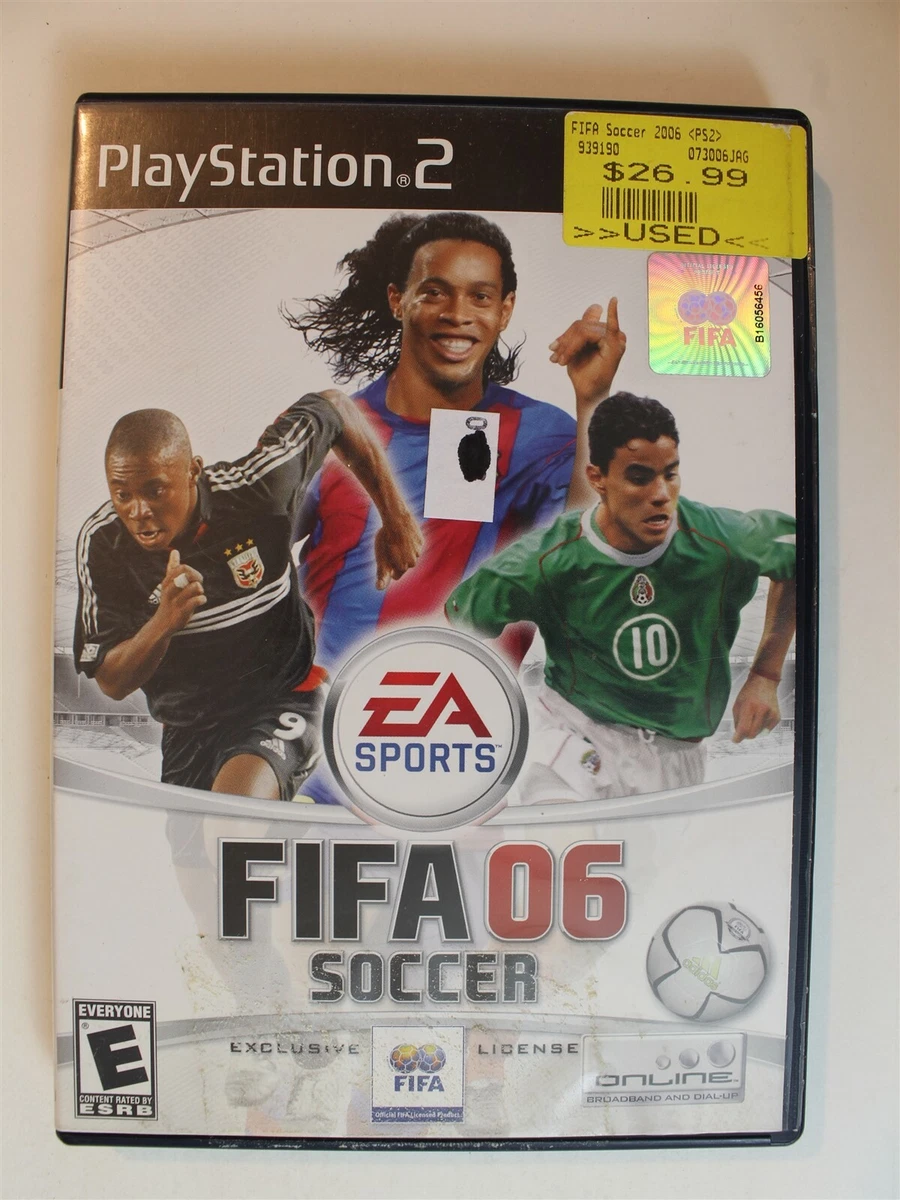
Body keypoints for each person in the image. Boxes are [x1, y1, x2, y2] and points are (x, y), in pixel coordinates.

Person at [283, 211, 626, 803]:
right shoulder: (332, 430)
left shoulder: (538, 435)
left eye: (480, 296)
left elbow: (584, 554)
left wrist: (592, 400)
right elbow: (253, 554)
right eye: (436, 292)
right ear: (398, 299)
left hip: (458, 774)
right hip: (320, 775)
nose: (458, 314)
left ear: (505, 309)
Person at [446, 392, 797, 803]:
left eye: (670, 474)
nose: (661, 493)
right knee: (558, 822)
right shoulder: (546, 559)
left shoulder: (720, 539)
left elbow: (796, 554)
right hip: (576, 732)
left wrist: (765, 676)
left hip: (679, 753)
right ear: (598, 479)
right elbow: (460, 617)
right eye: (639, 477)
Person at [74, 391, 422, 801]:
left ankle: (268, 810)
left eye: (155, 491)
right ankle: (285, 823)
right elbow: (113, 682)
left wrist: (396, 518)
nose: (139, 511)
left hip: (285, 696)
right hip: (188, 729)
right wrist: (163, 623)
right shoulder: (103, 544)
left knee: (231, 819)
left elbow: (334, 406)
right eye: (122, 494)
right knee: (201, 843)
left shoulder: (260, 488)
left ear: (193, 471)